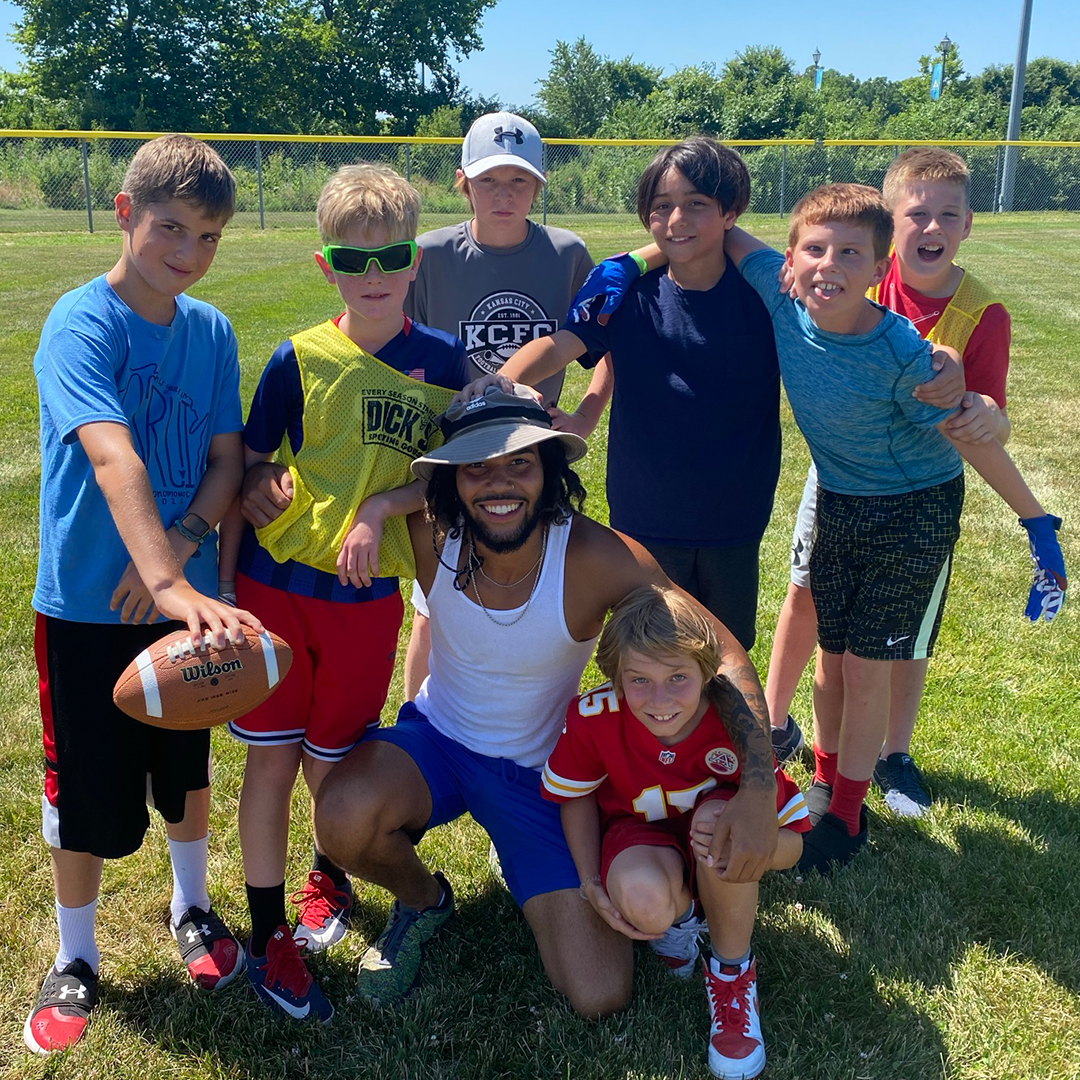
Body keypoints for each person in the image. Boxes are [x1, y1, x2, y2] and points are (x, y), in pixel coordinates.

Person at [312, 385, 781, 1017]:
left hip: (542, 776)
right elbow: (314, 476)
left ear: (550, 470)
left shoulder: (591, 555)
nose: (499, 484)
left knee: (599, 993)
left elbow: (722, 653)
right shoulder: (429, 534)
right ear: (452, 480)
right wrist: (366, 505)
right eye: (477, 466)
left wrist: (756, 792)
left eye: (519, 463)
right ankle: (424, 900)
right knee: (342, 815)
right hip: (436, 741)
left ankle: (523, 858)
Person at [726, 183, 1065, 873]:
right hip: (842, 502)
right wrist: (631, 261)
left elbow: (970, 440)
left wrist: (1036, 522)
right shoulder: (782, 292)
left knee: (869, 669)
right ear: (789, 259)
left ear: (880, 270)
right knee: (831, 655)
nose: (829, 265)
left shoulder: (905, 353)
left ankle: (847, 820)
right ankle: (826, 783)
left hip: (913, 511)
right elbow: (725, 234)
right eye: (814, 250)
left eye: (851, 253)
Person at [25, 134, 264, 1055]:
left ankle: (193, 908)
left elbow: (223, 460)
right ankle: (76, 955)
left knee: (186, 768)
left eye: (207, 237)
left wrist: (182, 550)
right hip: (90, 602)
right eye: (171, 227)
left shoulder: (209, 331)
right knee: (80, 787)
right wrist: (156, 575)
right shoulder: (80, 323)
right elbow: (111, 449)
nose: (188, 252)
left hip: (183, 604)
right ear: (125, 213)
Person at [217, 163, 467, 1022]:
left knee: (336, 763)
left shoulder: (443, 365)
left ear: (414, 262)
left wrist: (385, 504)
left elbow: (453, 477)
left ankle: (330, 877)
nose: (372, 277)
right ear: (325, 265)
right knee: (271, 759)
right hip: (276, 585)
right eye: (350, 260)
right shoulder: (297, 357)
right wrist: (259, 489)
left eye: (389, 257)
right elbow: (250, 465)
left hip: (366, 599)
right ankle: (265, 929)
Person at [763, 147, 1019, 815]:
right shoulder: (850, 272)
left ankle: (891, 754)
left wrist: (977, 400)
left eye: (948, 215)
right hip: (836, 476)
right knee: (807, 601)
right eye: (918, 214)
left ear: (968, 224)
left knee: (897, 637)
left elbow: (985, 415)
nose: (931, 228)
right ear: (893, 222)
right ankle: (772, 725)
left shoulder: (977, 312)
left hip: (912, 495)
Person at [497, 137, 781, 653]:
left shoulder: (763, 300)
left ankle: (727, 737)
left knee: (726, 653)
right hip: (646, 510)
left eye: (696, 203)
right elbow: (562, 344)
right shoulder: (627, 297)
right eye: (661, 207)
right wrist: (502, 380)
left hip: (735, 512)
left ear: (731, 211)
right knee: (650, 648)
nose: (677, 220)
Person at [541, 584, 809, 1079]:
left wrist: (748, 849)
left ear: (710, 674)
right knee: (643, 896)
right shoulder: (595, 717)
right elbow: (574, 793)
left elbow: (793, 842)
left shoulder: (736, 727)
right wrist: (589, 880)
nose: (659, 699)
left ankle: (732, 972)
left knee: (715, 824)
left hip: (714, 856)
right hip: (641, 844)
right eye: (639, 679)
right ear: (615, 679)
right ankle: (682, 919)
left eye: (678, 677)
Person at [401, 110, 610, 698]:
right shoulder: (431, 254)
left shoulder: (567, 254)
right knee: (435, 599)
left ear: (539, 187)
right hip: (453, 450)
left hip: (533, 448)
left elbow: (605, 344)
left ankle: (525, 709)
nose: (504, 193)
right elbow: (397, 343)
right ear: (462, 182)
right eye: (489, 180)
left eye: (519, 181)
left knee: (535, 585)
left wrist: (588, 413)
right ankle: (419, 717)